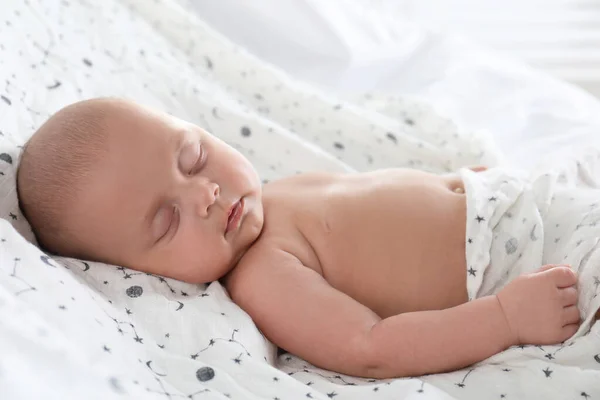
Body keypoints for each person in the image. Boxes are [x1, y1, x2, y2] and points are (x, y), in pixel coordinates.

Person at [17, 98, 598, 378]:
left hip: (521, 205)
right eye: (166, 222)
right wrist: (505, 318)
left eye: (193, 157)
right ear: (142, 273)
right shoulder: (263, 276)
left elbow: (375, 200)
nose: (204, 194)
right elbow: (370, 347)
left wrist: (458, 183)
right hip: (524, 266)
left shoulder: (271, 196)